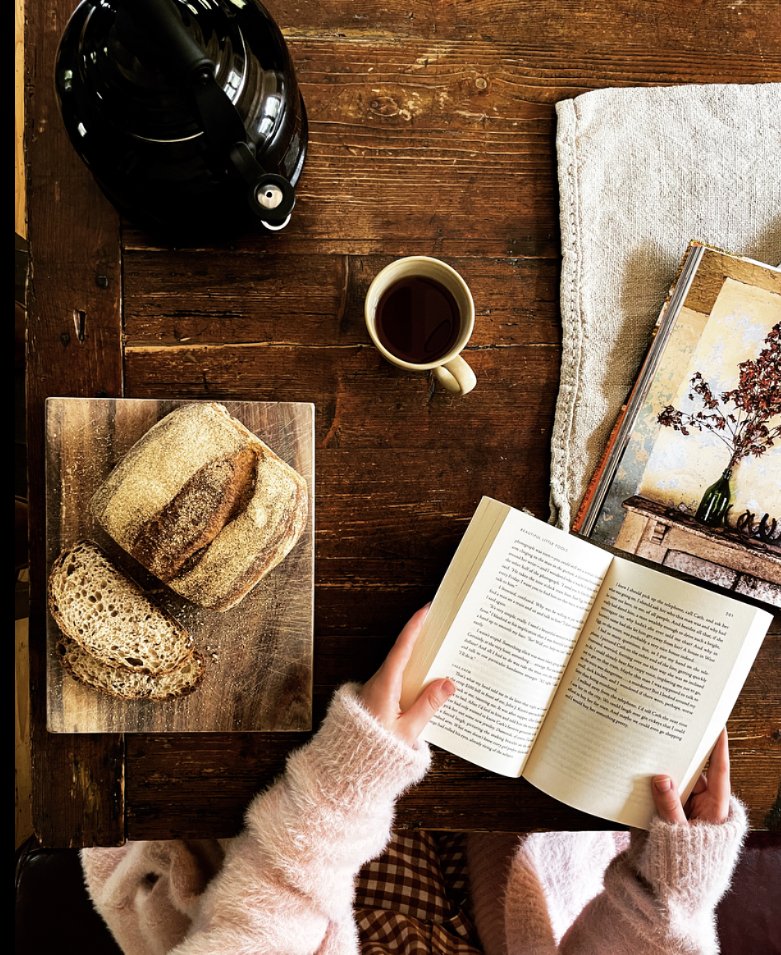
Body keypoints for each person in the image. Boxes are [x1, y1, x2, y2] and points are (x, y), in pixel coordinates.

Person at [81, 605, 747, 955]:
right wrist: (671, 892)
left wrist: (348, 780)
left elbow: (255, 934)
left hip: (295, 844)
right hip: (485, 874)